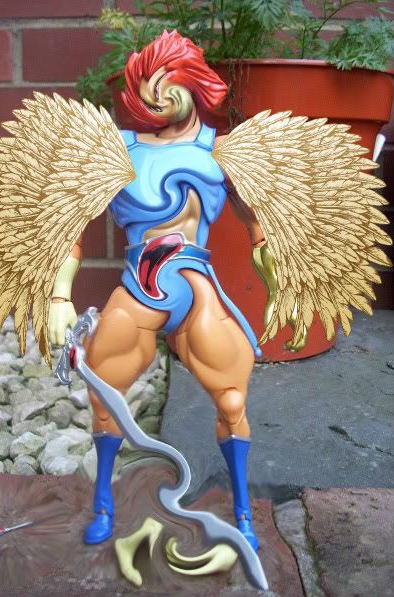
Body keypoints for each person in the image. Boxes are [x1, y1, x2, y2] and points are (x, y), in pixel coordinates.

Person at [48, 30, 269, 552]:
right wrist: (59, 296)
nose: (157, 96)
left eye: (168, 82)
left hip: (196, 289)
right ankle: (104, 503)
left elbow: (261, 232)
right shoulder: (119, 151)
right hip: (138, 290)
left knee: (232, 401)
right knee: (104, 394)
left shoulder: (222, 152)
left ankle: (242, 511)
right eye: (146, 86)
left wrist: (286, 289)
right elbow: (69, 226)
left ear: (194, 82)